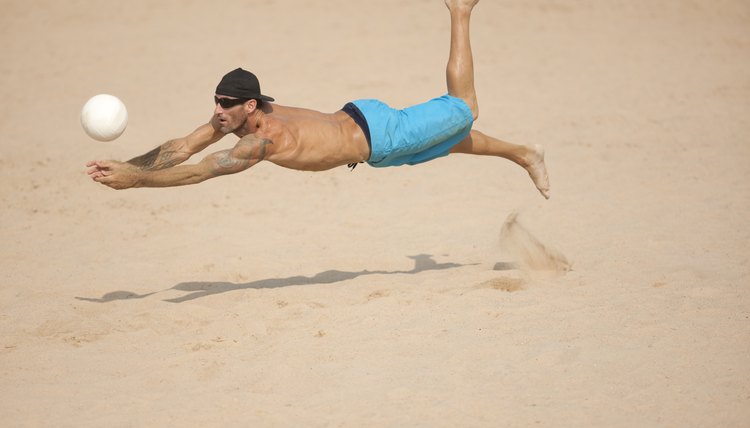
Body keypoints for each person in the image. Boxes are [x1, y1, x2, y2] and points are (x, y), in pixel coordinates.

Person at [87, 0, 550, 199]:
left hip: (380, 135)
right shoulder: (233, 121)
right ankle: (523, 154)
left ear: (252, 106)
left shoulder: (261, 141)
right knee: (451, 138)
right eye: (216, 101)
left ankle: (460, 11)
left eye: (226, 103)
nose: (217, 110)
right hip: (369, 137)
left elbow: (202, 172)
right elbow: (181, 149)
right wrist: (130, 165)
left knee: (464, 109)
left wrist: (138, 184)